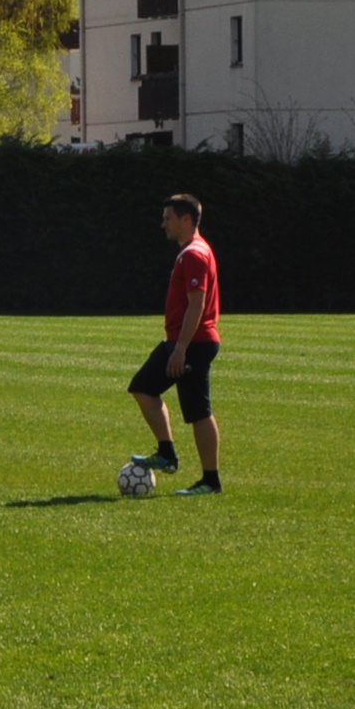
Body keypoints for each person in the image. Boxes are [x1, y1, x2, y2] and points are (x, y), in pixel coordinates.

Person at [130, 192, 223, 494]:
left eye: (168, 218)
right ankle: (167, 453)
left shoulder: (195, 254)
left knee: (199, 412)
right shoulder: (191, 251)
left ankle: (210, 481)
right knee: (143, 387)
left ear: (186, 219)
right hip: (182, 340)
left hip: (193, 342)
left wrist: (181, 349)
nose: (163, 224)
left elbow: (197, 304)